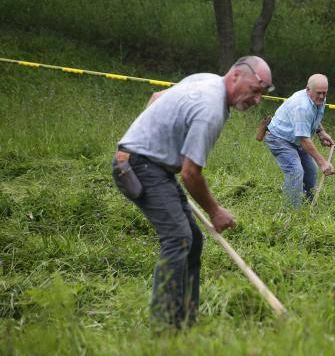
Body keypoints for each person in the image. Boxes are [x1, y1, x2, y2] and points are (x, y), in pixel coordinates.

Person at [112, 56, 273, 327]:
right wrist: (215, 211)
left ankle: (186, 316)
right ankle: (166, 325)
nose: (257, 100)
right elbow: (190, 174)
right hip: (140, 167)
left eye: (262, 94)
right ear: (235, 76)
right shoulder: (210, 110)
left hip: (154, 165)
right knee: (178, 238)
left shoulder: (207, 80)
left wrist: (147, 135)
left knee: (193, 240)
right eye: (255, 90)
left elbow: (157, 96)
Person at [264, 73, 335, 206]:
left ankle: (308, 206)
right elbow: (304, 139)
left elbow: (312, 117)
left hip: (295, 139)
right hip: (279, 138)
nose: (321, 96)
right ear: (308, 89)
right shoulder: (301, 106)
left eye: (324, 93)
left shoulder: (318, 99)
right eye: (318, 93)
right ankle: (292, 212)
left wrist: (321, 132)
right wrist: (323, 163)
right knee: (295, 171)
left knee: (311, 171)